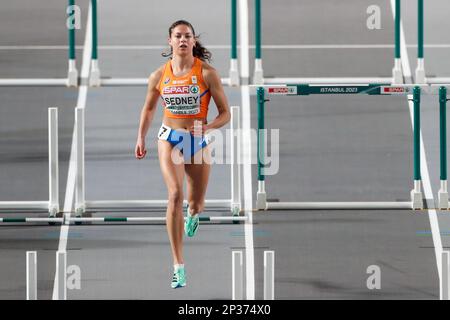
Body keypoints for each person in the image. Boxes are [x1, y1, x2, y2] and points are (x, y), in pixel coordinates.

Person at [134, 20, 231, 289]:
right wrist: (141, 136)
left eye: (187, 36)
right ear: (170, 41)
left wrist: (208, 126)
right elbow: (149, 109)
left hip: (197, 143)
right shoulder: (158, 76)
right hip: (170, 139)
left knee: (195, 203)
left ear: (194, 40)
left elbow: (226, 113)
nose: (183, 40)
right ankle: (178, 266)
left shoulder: (208, 74)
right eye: (178, 36)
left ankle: (194, 212)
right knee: (174, 195)